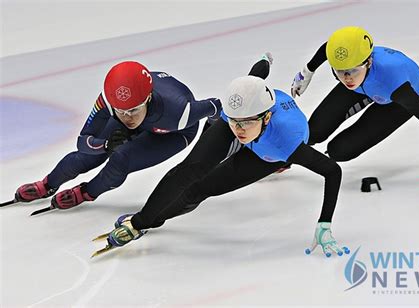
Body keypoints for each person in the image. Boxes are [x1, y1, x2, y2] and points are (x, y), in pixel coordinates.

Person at [95, 54, 350, 258]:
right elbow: (255, 77)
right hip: (250, 121)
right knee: (191, 171)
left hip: (267, 154)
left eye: (245, 124)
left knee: (202, 189)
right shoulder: (239, 114)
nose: (239, 130)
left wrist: (324, 223)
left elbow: (332, 170)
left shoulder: (288, 144)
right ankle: (145, 220)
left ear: (267, 117)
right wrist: (265, 60)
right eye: (235, 122)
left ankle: (151, 219)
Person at [13, 61, 221, 209]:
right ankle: (48, 184)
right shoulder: (108, 101)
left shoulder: (181, 112)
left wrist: (209, 136)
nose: (127, 117)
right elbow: (83, 141)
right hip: (149, 117)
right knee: (90, 155)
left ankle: (87, 193)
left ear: (147, 98)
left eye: (132, 111)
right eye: (121, 111)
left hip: (171, 133)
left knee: (121, 159)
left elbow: (216, 106)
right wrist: (104, 146)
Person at [291, 26, 419, 191]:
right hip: (368, 83)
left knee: (340, 151)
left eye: (352, 71)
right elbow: (328, 48)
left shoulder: (396, 86)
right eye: (339, 71)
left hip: (394, 98)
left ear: (368, 62)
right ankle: (283, 158)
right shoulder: (349, 65)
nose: (347, 78)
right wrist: (306, 73)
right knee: (313, 132)